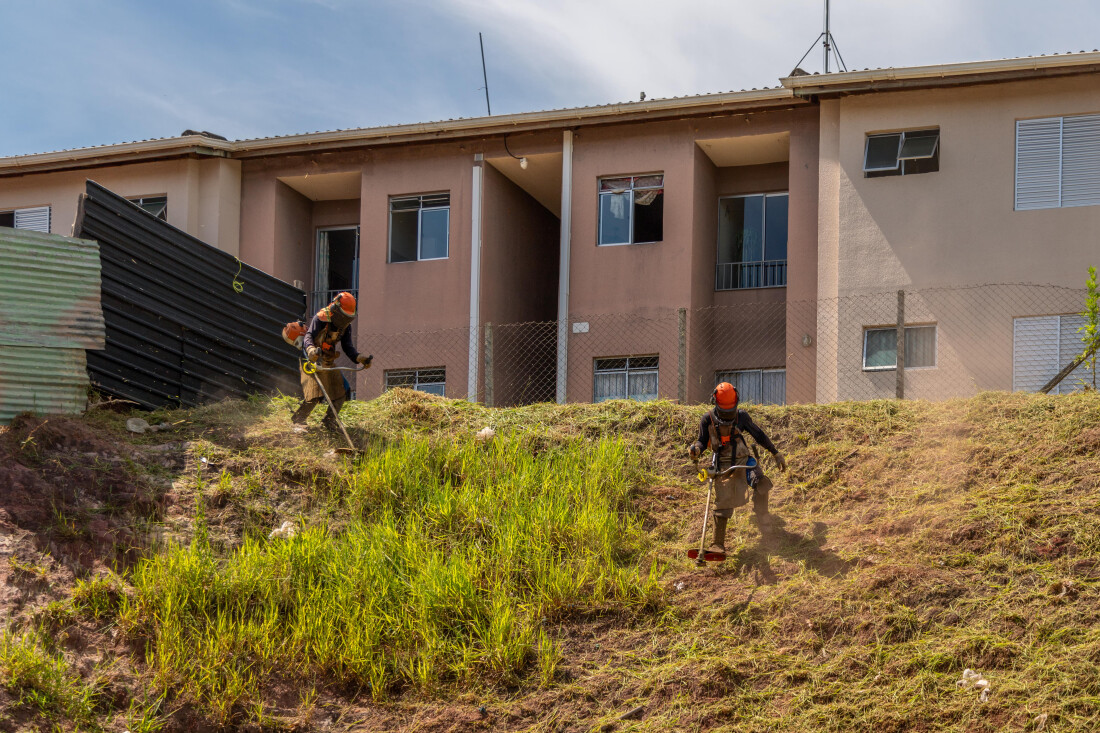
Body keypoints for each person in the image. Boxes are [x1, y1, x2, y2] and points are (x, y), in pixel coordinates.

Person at [688, 382, 787, 555]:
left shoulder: (742, 417)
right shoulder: (708, 419)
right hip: (723, 467)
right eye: (724, 411)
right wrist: (696, 449)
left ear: (737, 403)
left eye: (730, 410)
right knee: (723, 504)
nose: (728, 415)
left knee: (762, 483)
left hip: (744, 461)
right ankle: (717, 544)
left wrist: (775, 453)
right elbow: (702, 441)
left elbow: (759, 435)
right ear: (715, 403)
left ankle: (763, 516)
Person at [289, 292, 371, 431]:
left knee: (343, 390)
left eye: (348, 317)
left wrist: (359, 357)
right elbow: (309, 336)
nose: (345, 320)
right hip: (311, 359)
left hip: (327, 361)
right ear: (336, 309)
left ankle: (329, 421)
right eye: (344, 316)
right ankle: (298, 420)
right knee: (315, 393)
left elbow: (347, 347)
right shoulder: (321, 318)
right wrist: (311, 350)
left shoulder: (345, 327)